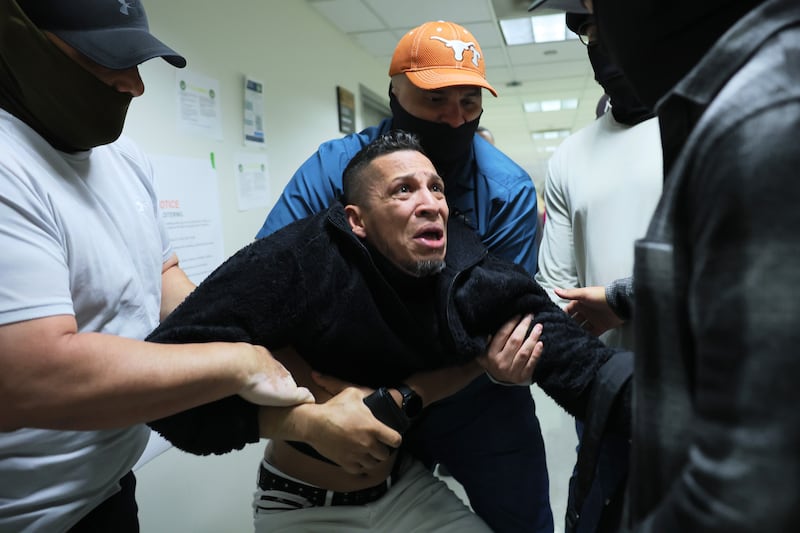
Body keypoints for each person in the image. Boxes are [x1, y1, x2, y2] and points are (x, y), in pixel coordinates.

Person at [146, 130, 629, 532]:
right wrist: (297, 421)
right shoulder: (296, 262)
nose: (429, 204)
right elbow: (169, 394)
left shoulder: (465, 269)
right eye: (403, 190)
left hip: (404, 489)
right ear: (356, 219)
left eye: (436, 188)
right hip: (303, 504)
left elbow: (580, 363)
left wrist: (670, 422)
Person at [0, 1, 313, 531]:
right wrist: (239, 362)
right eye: (106, 60)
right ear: (23, 42)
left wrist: (249, 337)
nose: (134, 86)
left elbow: (163, 276)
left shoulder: (124, 159)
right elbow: (30, 375)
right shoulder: (10, 167)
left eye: (138, 63)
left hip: (109, 491)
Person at [255, 20, 551, 533]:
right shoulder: (335, 169)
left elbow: (491, 332)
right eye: (436, 100)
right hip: (353, 395)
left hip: (476, 404)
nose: (455, 119)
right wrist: (332, 401)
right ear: (396, 91)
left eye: (470, 103)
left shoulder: (506, 191)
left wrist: (406, 397)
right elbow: (269, 291)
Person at [574, 0, 800, 530]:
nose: (601, 31)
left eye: (593, 6)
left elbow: (750, 496)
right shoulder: (728, 108)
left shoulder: (766, 121)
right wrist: (621, 298)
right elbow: (727, 273)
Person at [528, 2, 662, 530]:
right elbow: (554, 293)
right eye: (588, 32)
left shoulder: (704, 126)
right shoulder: (569, 158)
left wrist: (622, 300)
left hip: (706, 393)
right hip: (605, 399)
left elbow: (739, 266)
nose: (602, 44)